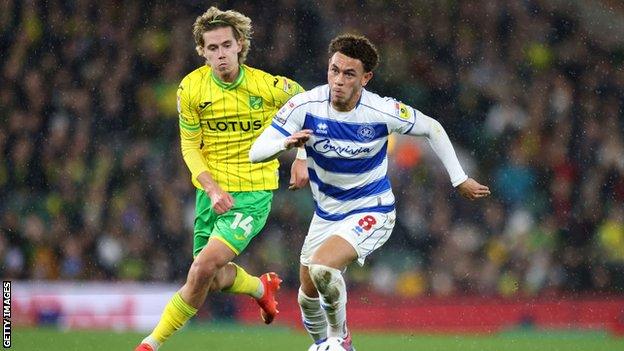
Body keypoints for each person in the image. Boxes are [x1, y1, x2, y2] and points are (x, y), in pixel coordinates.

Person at [249, 34, 490, 350]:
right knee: (307, 296)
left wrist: (458, 178)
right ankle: (325, 344)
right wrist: (289, 144)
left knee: (323, 268)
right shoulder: (305, 105)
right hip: (326, 213)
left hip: (371, 209)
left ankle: (342, 340)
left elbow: (432, 128)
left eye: (349, 74)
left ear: (366, 78)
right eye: (334, 70)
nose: (338, 80)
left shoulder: (381, 111)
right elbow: (256, 151)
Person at [135, 7, 308, 351]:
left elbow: (307, 104)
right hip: (211, 193)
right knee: (210, 277)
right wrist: (211, 187)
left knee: (201, 267)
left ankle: (151, 344)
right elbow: (189, 144)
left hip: (253, 192)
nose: (221, 54)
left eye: (226, 45)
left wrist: (302, 157)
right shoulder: (191, 88)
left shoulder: (268, 86)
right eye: (212, 48)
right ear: (201, 51)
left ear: (240, 45)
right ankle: (261, 288)